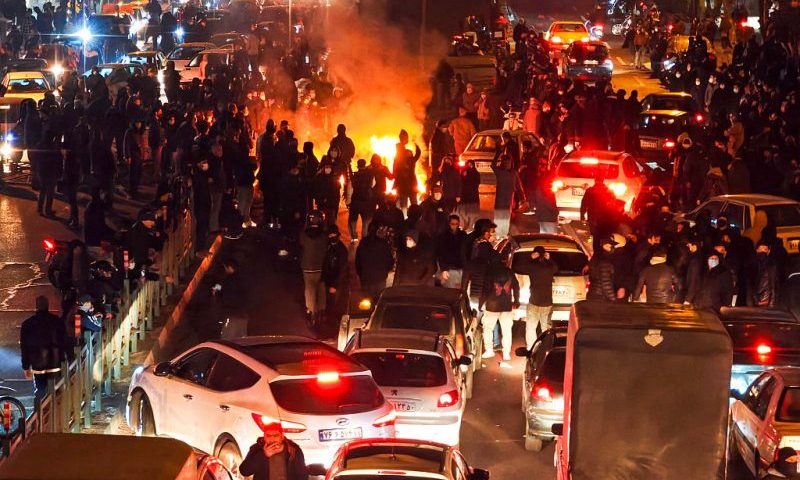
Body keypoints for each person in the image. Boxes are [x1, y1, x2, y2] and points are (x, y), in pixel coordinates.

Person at [20, 296, 68, 401]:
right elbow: (64, 341)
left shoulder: (27, 324)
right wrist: (65, 358)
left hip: (37, 364)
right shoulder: (57, 322)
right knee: (56, 390)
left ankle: (40, 413)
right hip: (55, 362)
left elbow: (24, 347)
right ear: (47, 306)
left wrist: (26, 367)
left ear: (36, 307)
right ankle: (56, 413)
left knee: (40, 390)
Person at [480, 255, 519, 366]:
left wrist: (481, 303)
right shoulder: (509, 272)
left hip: (492, 305)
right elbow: (516, 286)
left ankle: (489, 350)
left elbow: (485, 289)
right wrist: (516, 300)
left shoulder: (490, 272)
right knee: (507, 330)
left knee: (488, 328)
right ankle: (506, 353)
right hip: (506, 305)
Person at [239, 421, 308, 480]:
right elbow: (244, 471)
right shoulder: (256, 448)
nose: (272, 439)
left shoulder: (293, 449)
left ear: (282, 437)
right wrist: (264, 455)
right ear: (264, 436)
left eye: (275, 436)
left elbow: (302, 475)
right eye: (268, 436)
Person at [523, 246, 559, 348]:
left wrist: (530, 258)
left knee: (531, 327)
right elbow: (556, 268)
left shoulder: (532, 266)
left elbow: (521, 267)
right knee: (545, 327)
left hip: (534, 301)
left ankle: (531, 348)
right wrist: (550, 259)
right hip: (547, 302)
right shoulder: (549, 266)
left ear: (536, 254)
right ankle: (546, 346)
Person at [299, 211, 327, 325]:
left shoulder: (303, 235)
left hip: (307, 267)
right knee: (321, 288)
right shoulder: (324, 235)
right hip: (321, 267)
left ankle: (311, 311)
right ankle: (321, 310)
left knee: (309, 290)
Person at [355, 223, 394, 295]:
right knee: (379, 299)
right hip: (380, 278)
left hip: (366, 278)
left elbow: (358, 262)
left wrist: (361, 274)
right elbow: (389, 261)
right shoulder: (383, 243)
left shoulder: (363, 243)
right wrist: (385, 271)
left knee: (366, 300)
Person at [322, 225, 349, 325]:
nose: (332, 237)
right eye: (330, 235)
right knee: (330, 303)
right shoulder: (329, 246)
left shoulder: (341, 250)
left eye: (333, 235)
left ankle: (333, 325)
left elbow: (342, 270)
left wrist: (334, 285)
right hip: (329, 281)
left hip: (336, 283)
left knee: (335, 305)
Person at [436, 215, 467, 288]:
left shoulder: (463, 235)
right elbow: (441, 253)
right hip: (449, 267)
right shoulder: (443, 236)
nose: (454, 226)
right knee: (449, 289)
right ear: (449, 224)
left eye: (456, 224)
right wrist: (443, 268)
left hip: (460, 266)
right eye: (452, 224)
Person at [348, 159, 375, 241]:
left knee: (353, 220)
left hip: (355, 201)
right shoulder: (370, 174)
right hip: (366, 201)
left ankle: (353, 236)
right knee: (366, 222)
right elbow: (373, 185)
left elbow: (350, 189)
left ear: (358, 165)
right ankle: (364, 239)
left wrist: (348, 200)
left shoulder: (354, 175)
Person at [587, 236, 618, 302]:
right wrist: (614, 299)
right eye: (611, 246)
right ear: (605, 246)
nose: (613, 248)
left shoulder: (597, 258)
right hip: (601, 298)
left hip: (593, 295)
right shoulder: (605, 262)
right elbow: (606, 284)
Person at [750, 241, 778, 307]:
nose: (762, 252)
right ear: (756, 250)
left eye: (765, 249)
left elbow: (773, 286)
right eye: (761, 249)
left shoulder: (771, 265)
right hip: (756, 301)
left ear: (769, 251)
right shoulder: (753, 265)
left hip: (765, 301)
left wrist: (771, 303)